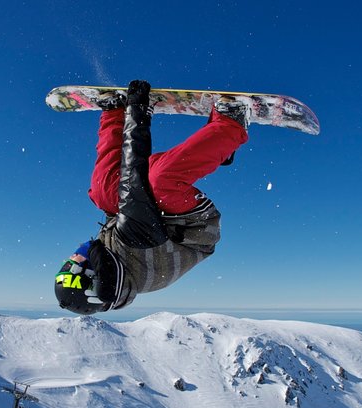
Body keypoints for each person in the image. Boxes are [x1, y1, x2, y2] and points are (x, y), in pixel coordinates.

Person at [54, 79, 249, 315]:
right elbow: (133, 173)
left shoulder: (114, 267)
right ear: (94, 276)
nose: (74, 255)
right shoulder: (136, 251)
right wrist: (138, 111)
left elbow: (128, 187)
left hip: (156, 221)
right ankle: (231, 124)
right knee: (160, 181)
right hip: (192, 227)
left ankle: (115, 112)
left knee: (103, 191)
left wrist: (116, 114)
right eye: (74, 265)